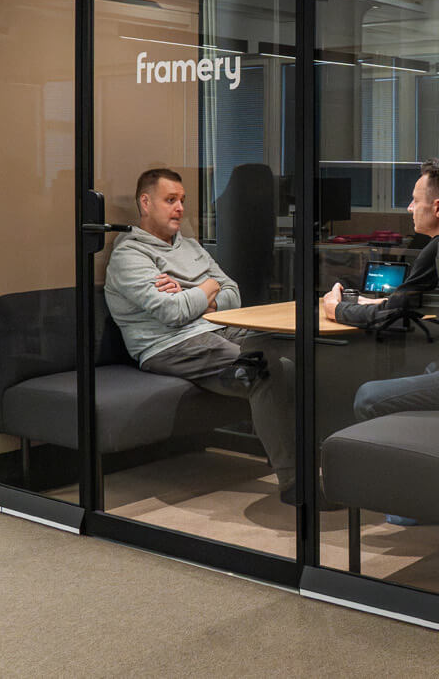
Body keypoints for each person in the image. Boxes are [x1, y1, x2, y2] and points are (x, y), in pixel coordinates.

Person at [104, 168, 298, 503]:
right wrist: (207, 287)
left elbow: (233, 294)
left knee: (291, 354)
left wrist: (190, 293)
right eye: (170, 200)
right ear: (146, 203)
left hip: (215, 328)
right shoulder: (129, 256)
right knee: (262, 370)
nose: (179, 208)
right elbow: (172, 313)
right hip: (169, 345)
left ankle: (308, 459)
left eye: (182, 200)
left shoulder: (190, 246)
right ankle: (294, 484)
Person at [321, 158, 439, 420]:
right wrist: (369, 303)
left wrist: (337, 309)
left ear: (438, 207)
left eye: (415, 200)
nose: (409, 208)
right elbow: (408, 303)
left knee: (368, 396)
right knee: (416, 370)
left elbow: (393, 317)